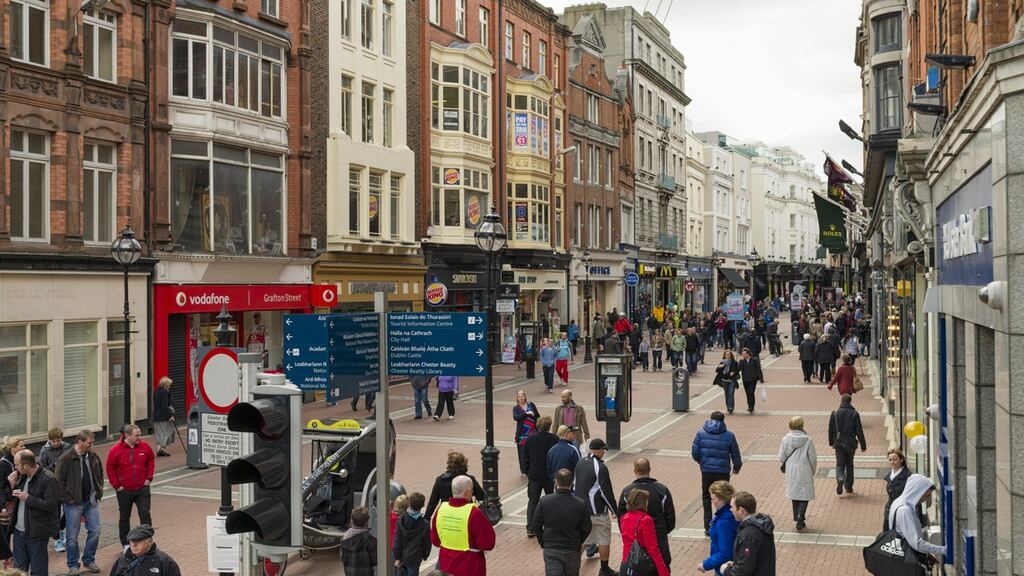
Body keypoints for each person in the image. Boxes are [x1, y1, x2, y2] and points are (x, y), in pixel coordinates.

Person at [55, 430, 104, 576]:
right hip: (73, 503)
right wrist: (67, 499)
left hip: (91, 500)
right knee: (72, 536)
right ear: (80, 442)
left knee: (95, 530)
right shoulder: (66, 458)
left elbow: (99, 472)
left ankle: (88, 560)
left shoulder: (93, 456)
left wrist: (98, 490)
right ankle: (73, 564)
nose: (92, 445)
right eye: (89, 442)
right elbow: (58, 480)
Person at [430, 475, 496, 576]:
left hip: (445, 564)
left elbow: (435, 540)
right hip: (470, 565)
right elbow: (488, 543)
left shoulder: (441, 510)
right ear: (467, 492)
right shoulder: (474, 513)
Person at [9, 451, 60, 576]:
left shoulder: (48, 479)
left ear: (25, 466)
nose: (15, 467)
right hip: (19, 532)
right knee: (19, 571)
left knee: (38, 571)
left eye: (17, 465)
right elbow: (15, 500)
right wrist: (12, 486)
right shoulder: (22, 476)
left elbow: (51, 505)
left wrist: (28, 498)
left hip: (37, 533)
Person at [616, 458, 675, 567]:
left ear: (635, 471)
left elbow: (621, 518)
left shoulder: (627, 492)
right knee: (662, 566)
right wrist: (664, 530)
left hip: (635, 541)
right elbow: (670, 517)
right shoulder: (662, 490)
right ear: (649, 470)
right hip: (659, 536)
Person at [533, 468, 592, 576]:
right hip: (572, 548)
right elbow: (587, 527)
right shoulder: (580, 504)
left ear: (556, 482)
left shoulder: (544, 501)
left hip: (552, 547)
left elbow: (536, 525)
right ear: (572, 483)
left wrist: (543, 541)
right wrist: (578, 541)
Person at [692, 411, 743, 535]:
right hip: (723, 471)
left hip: (707, 470)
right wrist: (737, 467)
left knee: (706, 496)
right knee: (725, 497)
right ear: (723, 421)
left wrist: (701, 462)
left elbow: (695, 452)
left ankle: (708, 526)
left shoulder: (700, 433)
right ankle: (724, 522)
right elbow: (735, 453)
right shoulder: (729, 435)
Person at [105, 425, 155, 547]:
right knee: (124, 517)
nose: (140, 438)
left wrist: (148, 478)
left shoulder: (145, 447)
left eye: (140, 434)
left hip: (142, 488)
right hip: (124, 490)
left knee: (145, 514)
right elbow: (110, 468)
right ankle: (125, 544)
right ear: (127, 436)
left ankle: (148, 541)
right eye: (136, 435)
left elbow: (151, 461)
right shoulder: (115, 450)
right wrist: (117, 486)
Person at [574, 439, 616, 576]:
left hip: (580, 510)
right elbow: (606, 492)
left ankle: (572, 567)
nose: (604, 452)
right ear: (598, 450)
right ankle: (604, 570)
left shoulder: (580, 463)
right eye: (603, 450)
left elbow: (575, 484)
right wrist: (615, 511)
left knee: (583, 540)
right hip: (597, 511)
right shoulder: (600, 467)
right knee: (603, 539)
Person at [888, 475, 946, 564]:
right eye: (926, 496)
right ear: (917, 491)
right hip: (906, 563)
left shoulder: (899, 502)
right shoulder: (905, 510)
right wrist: (944, 550)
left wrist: (927, 555)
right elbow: (916, 544)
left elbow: (907, 533)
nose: (925, 500)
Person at [721, 492, 776, 576]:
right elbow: (753, 559)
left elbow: (744, 570)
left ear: (741, 511)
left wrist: (726, 571)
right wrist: (736, 563)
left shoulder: (749, 535)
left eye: (732, 507)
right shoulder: (762, 525)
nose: (730, 510)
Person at [617, 489, 669, 576]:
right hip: (641, 566)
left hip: (626, 565)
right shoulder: (646, 520)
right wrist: (664, 572)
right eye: (646, 501)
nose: (647, 504)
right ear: (643, 503)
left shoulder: (624, 519)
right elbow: (653, 549)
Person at [777, 417, 817, 531]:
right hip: (805, 469)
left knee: (794, 493)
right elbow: (812, 458)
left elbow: (781, 457)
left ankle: (797, 516)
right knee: (804, 495)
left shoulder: (785, 439)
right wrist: (813, 470)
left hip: (791, 470)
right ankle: (801, 516)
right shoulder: (808, 440)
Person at [524, 417, 559, 538]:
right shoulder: (554, 439)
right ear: (549, 426)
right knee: (550, 501)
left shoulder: (530, 438)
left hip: (534, 474)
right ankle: (550, 526)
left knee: (533, 501)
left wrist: (527, 471)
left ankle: (530, 527)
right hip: (548, 475)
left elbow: (525, 457)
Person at [424, 452, 486, 520]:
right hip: (466, 515)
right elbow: (481, 496)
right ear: (464, 464)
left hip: (446, 515)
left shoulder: (440, 480)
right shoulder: (469, 479)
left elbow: (432, 503)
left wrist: (426, 519)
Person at [37, 429, 70, 553]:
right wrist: (54, 466)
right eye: (53, 441)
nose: (56, 443)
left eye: (58, 441)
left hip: (65, 484)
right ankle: (57, 540)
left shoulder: (67, 447)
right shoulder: (44, 450)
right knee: (55, 513)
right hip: (52, 485)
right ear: (49, 440)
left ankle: (61, 529)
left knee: (69, 510)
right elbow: (42, 468)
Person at [828, 394, 866, 496]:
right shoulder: (854, 414)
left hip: (839, 443)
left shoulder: (834, 413)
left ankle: (840, 477)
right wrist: (863, 445)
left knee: (840, 464)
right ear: (850, 401)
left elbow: (831, 429)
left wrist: (831, 441)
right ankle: (848, 487)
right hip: (850, 444)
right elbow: (859, 430)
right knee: (850, 464)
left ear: (841, 401)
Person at [107, 525, 181, 576]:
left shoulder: (164, 562)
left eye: (138, 541)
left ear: (149, 542)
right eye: (131, 541)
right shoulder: (122, 560)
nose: (133, 545)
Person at [700, 481, 738, 575]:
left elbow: (725, 553)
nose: (711, 501)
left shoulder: (724, 522)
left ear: (722, 499)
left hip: (724, 569)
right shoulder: (726, 514)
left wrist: (706, 564)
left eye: (713, 499)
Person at [1, 437, 27, 565]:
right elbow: (0, 487)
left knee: (18, 530)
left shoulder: (24, 461)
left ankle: (16, 560)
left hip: (20, 501)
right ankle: (8, 561)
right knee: (6, 532)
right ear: (13, 448)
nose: (24, 447)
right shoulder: (3, 464)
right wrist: (3, 507)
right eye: (21, 446)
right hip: (8, 504)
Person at [883, 448, 921, 532]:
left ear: (901, 459)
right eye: (890, 460)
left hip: (902, 514)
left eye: (895, 459)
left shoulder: (908, 477)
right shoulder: (890, 475)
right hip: (889, 512)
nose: (892, 462)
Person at [393, 492, 431, 576]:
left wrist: (397, 557)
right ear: (422, 506)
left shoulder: (400, 521)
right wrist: (425, 555)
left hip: (402, 556)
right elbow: (426, 543)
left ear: (409, 503)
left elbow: (397, 541)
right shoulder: (424, 525)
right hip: (415, 558)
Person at [340, 506, 376, 576]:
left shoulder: (345, 539)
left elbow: (342, 558)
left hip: (350, 572)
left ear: (351, 521)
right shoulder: (371, 540)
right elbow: (375, 560)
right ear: (367, 522)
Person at [512, 390, 540, 475]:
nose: (521, 398)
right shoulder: (516, 408)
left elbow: (538, 416)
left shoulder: (531, 405)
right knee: (522, 453)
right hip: (522, 435)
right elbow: (516, 417)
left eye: (522, 396)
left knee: (533, 452)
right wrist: (526, 413)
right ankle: (524, 470)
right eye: (519, 397)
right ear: (517, 398)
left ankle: (532, 468)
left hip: (533, 433)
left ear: (525, 397)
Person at [151, 376, 176, 457]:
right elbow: (165, 406)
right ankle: (162, 449)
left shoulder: (156, 391)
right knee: (167, 432)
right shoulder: (165, 392)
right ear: (167, 384)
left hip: (156, 416)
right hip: (163, 417)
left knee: (159, 433)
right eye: (170, 384)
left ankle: (159, 449)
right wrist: (170, 416)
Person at [714, 349, 741, 415]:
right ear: (724, 355)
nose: (727, 356)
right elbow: (717, 371)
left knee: (731, 394)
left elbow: (737, 370)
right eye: (726, 354)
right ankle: (728, 406)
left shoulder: (734, 362)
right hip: (724, 380)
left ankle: (730, 407)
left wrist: (733, 372)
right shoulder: (722, 362)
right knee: (727, 394)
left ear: (731, 355)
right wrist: (719, 367)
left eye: (729, 354)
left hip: (732, 380)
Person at [737, 348, 764, 414]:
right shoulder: (742, 361)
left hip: (752, 379)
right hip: (745, 379)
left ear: (748, 354)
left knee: (751, 392)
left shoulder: (754, 360)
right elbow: (738, 369)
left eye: (744, 354)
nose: (743, 355)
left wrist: (761, 379)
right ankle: (749, 405)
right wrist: (740, 361)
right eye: (742, 354)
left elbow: (758, 369)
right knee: (747, 393)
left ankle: (752, 406)